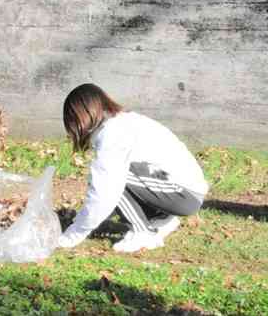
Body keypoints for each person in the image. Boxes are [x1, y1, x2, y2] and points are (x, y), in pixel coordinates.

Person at [58, 83, 209, 253]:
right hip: (184, 190)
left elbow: (105, 193)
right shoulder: (121, 122)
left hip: (185, 193)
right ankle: (162, 218)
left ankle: (143, 233)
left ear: (80, 116)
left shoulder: (113, 133)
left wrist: (72, 235)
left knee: (113, 180)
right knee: (111, 177)